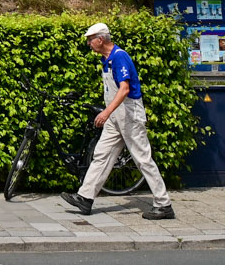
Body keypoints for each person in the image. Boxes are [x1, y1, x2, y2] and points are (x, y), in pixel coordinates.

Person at [65, 22, 172, 220]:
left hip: (129, 115)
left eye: (90, 40)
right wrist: (110, 114)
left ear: (100, 39)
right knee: (102, 155)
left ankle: (163, 204)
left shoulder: (119, 57)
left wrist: (106, 112)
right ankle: (85, 197)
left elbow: (124, 89)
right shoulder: (107, 59)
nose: (88, 43)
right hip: (117, 117)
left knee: (143, 159)